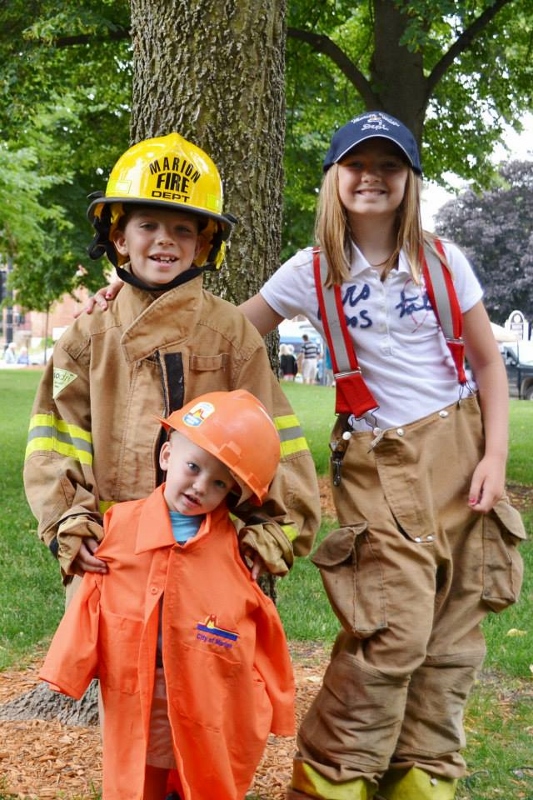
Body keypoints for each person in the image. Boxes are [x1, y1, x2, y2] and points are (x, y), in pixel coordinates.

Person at [81, 112, 527, 798]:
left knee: (453, 633)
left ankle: (422, 776)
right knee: (393, 628)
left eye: (388, 167)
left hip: (462, 449)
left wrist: (494, 459)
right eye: (356, 165)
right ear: (333, 178)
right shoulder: (310, 270)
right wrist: (134, 294)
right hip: (381, 459)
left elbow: (488, 366)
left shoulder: (442, 261)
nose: (371, 179)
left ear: (409, 181)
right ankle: (332, 776)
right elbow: (229, 333)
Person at [23, 132, 320, 601]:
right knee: (111, 671)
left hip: (208, 556)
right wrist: (69, 518)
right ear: (118, 237)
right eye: (148, 226)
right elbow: (57, 438)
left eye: (183, 229)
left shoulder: (231, 336)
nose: (166, 239)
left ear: (204, 245)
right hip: (109, 556)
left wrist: (275, 531)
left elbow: (272, 441)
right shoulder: (86, 337)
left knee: (201, 669)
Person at [39, 390, 296, 800]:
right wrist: (68, 669)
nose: (199, 486)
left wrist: (277, 701)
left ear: (230, 493)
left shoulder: (237, 550)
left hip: (202, 693)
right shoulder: (121, 526)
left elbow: (262, 629)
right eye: (192, 466)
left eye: (217, 483)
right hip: (139, 690)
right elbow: (92, 597)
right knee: (139, 773)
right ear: (166, 458)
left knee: (197, 770)